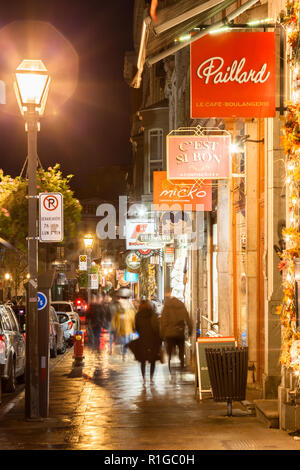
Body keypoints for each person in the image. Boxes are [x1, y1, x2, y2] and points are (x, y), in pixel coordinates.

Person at [160, 289, 192, 372]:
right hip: (180, 332)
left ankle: (170, 364)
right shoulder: (181, 305)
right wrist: (190, 331)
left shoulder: (167, 306)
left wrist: (162, 334)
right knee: (181, 349)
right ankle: (181, 363)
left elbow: (163, 321)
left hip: (169, 333)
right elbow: (187, 318)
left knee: (169, 350)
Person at [133, 300, 162, 385]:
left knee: (143, 360)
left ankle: (144, 378)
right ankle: (151, 378)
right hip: (153, 340)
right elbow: (157, 328)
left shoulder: (138, 315)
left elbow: (136, 328)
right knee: (152, 360)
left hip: (142, 340)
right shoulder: (154, 315)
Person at [111, 291, 136, 360]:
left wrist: (135, 327)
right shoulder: (118, 312)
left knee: (128, 343)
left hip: (128, 331)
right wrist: (114, 328)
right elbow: (114, 321)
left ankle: (127, 354)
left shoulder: (130, 311)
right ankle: (124, 354)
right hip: (122, 331)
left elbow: (133, 320)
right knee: (125, 343)